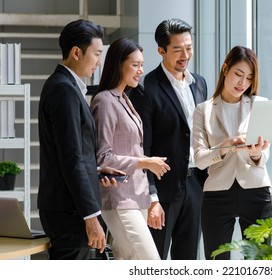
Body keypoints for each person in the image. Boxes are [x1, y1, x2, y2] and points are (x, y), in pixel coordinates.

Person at [37, 19, 126, 260]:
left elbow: (72, 154)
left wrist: (96, 169)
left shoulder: (65, 86)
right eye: (97, 53)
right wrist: (91, 216)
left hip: (68, 208)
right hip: (71, 213)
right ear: (76, 52)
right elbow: (71, 158)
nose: (99, 61)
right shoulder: (63, 89)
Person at [129, 18, 208, 260]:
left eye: (189, 47)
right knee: (156, 259)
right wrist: (152, 198)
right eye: (177, 49)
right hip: (163, 190)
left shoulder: (200, 83)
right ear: (161, 50)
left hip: (196, 185)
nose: (185, 55)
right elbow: (143, 147)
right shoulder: (145, 87)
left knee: (188, 259)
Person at [90, 38, 171, 260]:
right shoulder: (105, 101)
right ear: (118, 64)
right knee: (150, 262)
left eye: (141, 64)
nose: (140, 70)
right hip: (119, 198)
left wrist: (148, 162)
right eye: (135, 64)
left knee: (127, 261)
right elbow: (103, 157)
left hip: (136, 197)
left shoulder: (125, 99)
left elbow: (129, 148)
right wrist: (145, 162)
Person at [192, 46, 272, 260]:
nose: (242, 83)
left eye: (249, 78)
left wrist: (255, 154)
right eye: (238, 74)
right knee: (216, 261)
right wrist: (226, 146)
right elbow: (200, 160)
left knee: (260, 262)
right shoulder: (203, 109)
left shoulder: (260, 105)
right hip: (217, 194)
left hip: (256, 190)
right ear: (225, 68)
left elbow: (264, 157)